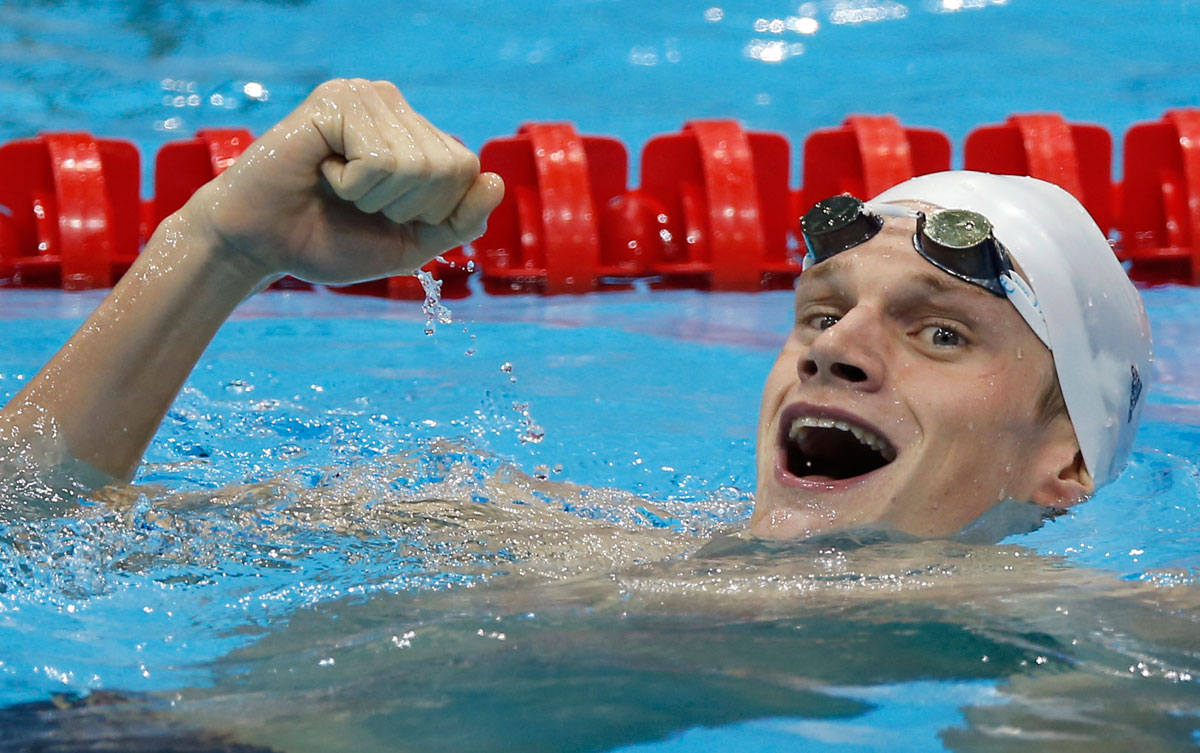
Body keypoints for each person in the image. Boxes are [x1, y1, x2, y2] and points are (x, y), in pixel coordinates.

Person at [0, 79, 1152, 541]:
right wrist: (216, 251)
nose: (834, 353)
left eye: (940, 330)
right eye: (819, 314)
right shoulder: (544, 541)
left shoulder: (1096, 641)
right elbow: (31, 522)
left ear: (1065, 459)